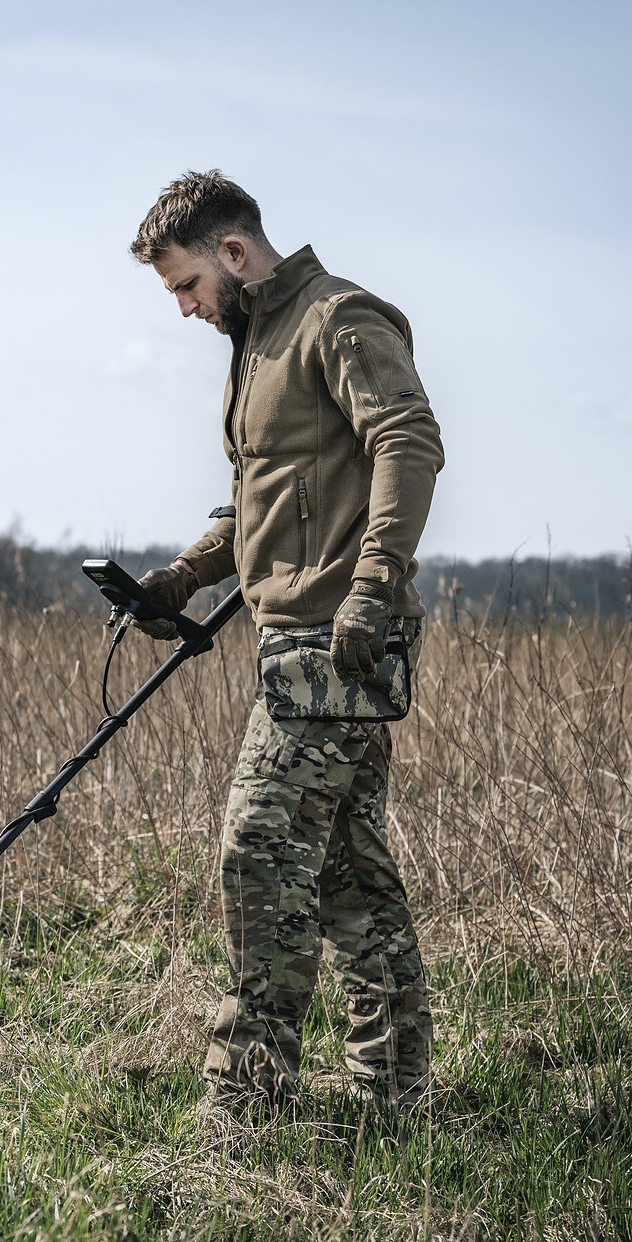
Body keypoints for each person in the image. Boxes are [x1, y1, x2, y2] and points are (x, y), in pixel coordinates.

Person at [127, 170, 444, 1112]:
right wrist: (181, 578)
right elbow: (263, 500)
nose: (184, 309)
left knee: (258, 856)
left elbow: (409, 442)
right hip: (295, 642)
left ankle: (244, 1105)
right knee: (348, 872)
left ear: (233, 252)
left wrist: (375, 587)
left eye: (186, 285)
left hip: (338, 641)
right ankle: (396, 1090)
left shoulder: (339, 319)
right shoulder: (258, 342)